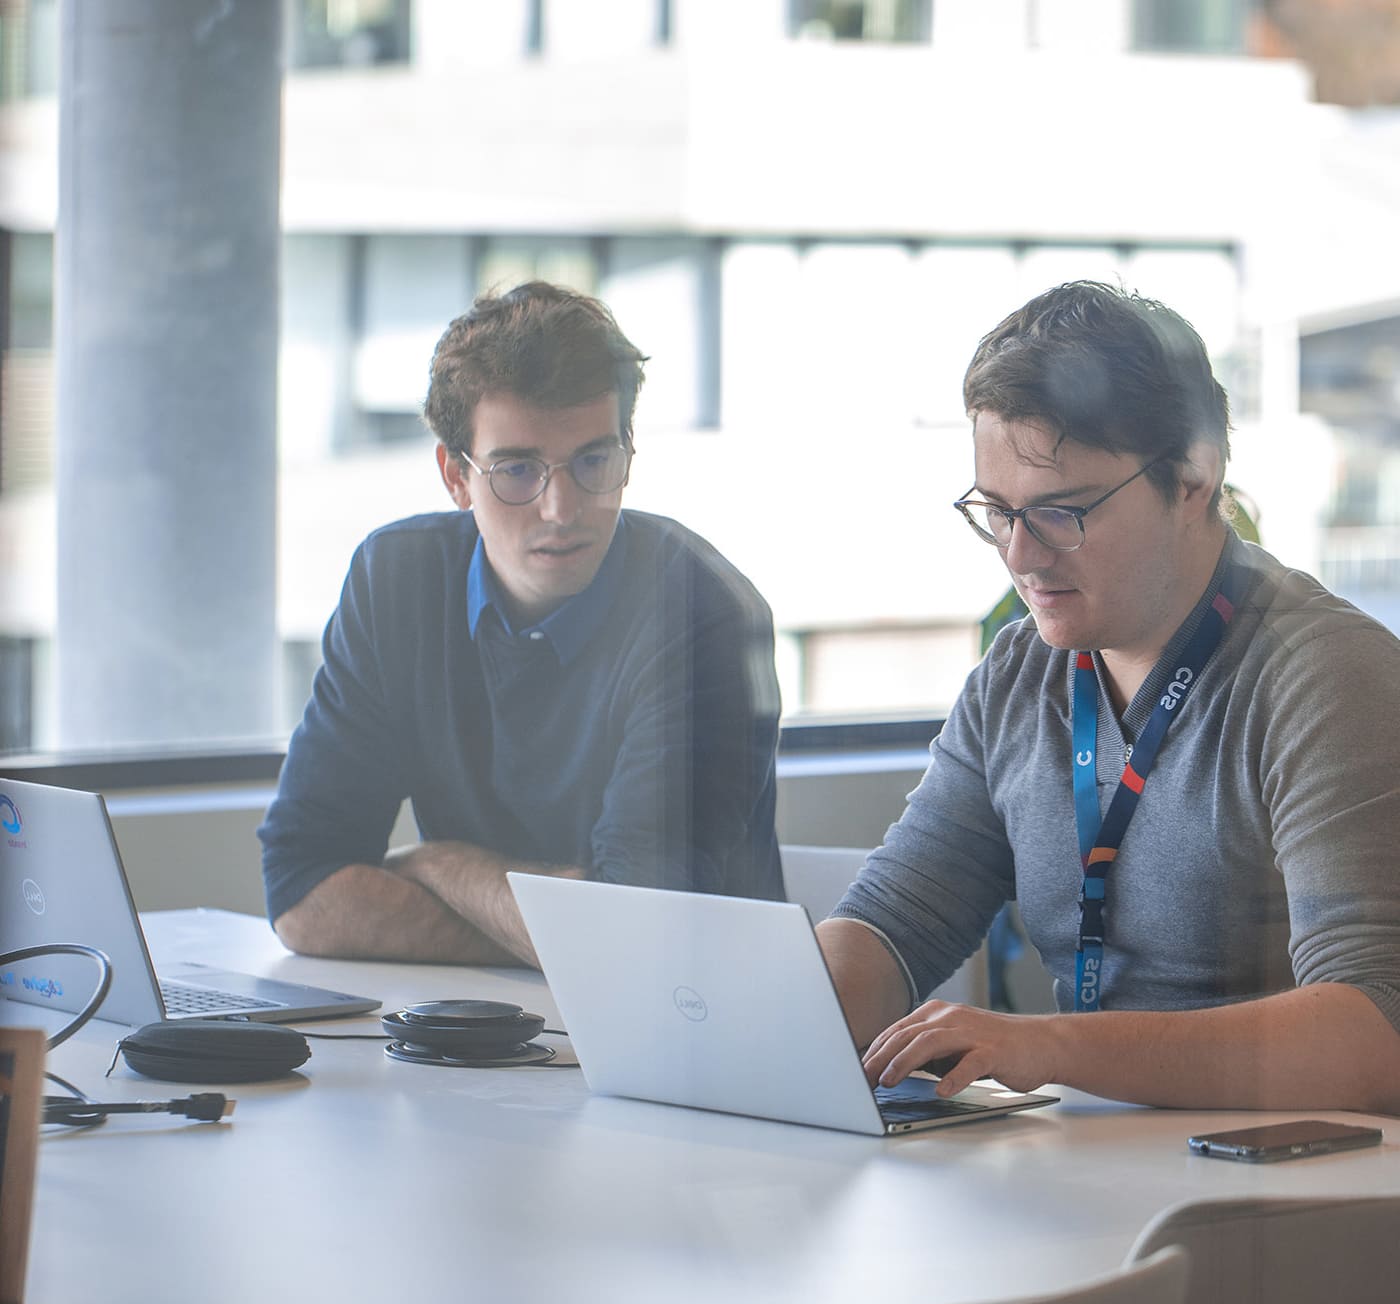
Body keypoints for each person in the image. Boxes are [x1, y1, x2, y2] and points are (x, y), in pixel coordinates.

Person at [818, 280, 1400, 1114]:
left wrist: (1049, 1046)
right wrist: (779, 1008)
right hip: (1098, 1164)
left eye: (1060, 512)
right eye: (997, 511)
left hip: (1280, 1194)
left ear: (1195, 476)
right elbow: (890, 921)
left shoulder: (1329, 679)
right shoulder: (1020, 674)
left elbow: (1377, 1032)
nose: (1021, 555)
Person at [260, 281, 783, 965]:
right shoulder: (396, 580)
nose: (560, 508)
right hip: (478, 1030)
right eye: (517, 470)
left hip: (691, 1036)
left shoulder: (702, 613)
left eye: (593, 461)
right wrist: (551, 923)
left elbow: (629, 939)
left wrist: (444, 867)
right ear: (455, 475)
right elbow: (302, 893)